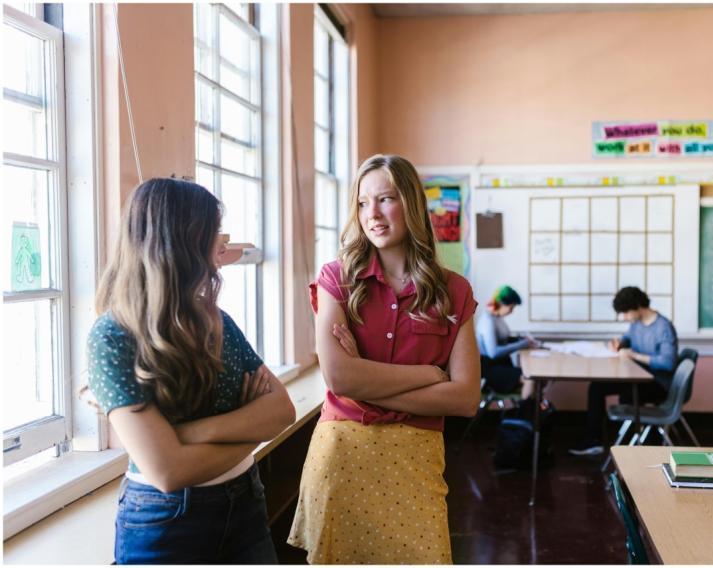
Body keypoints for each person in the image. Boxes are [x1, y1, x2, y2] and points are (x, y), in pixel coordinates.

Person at [87, 178, 296, 564]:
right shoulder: (113, 335)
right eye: (214, 232)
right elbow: (167, 471)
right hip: (166, 521)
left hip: (246, 502)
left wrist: (186, 434)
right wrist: (252, 428)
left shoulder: (217, 319)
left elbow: (282, 411)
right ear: (182, 240)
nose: (222, 244)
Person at [287, 154, 480, 564]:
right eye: (362, 203)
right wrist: (429, 375)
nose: (371, 214)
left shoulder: (454, 291)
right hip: (343, 454)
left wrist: (367, 378)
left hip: (416, 459)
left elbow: (465, 399)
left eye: (386, 199)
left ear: (411, 203)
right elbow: (340, 379)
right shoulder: (336, 279)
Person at [569, 286, 678, 456]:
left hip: (657, 384)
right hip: (638, 378)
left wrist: (634, 355)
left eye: (626, 312)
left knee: (619, 393)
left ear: (638, 306)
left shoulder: (663, 327)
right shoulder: (637, 324)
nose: (625, 317)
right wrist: (619, 343)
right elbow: (627, 338)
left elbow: (668, 363)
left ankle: (625, 443)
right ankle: (595, 441)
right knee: (597, 386)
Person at [475, 285, 541, 398]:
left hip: (502, 365)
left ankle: (532, 407)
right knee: (530, 379)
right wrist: (523, 344)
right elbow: (493, 353)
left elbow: (503, 339)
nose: (511, 311)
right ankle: (525, 409)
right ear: (501, 304)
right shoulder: (487, 321)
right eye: (511, 307)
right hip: (491, 369)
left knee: (535, 375)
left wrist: (520, 339)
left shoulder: (496, 318)